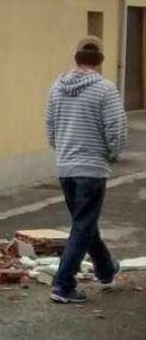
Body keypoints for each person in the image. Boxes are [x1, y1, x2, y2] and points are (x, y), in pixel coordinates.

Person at [45, 36, 127, 304]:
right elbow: (115, 129)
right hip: (92, 168)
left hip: (66, 166)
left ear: (76, 58)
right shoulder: (105, 90)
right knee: (83, 226)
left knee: (85, 223)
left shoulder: (57, 87)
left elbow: (51, 127)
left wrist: (63, 150)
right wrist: (112, 155)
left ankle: (105, 269)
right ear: (100, 60)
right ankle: (63, 284)